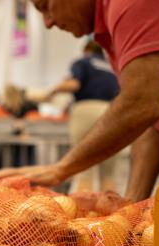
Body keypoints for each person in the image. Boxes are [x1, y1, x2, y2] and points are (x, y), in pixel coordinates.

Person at [0, 0, 159, 201]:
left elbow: (141, 103)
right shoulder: (109, 26)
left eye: (45, 6)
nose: (48, 22)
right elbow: (152, 121)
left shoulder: (131, 4)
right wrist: (132, 205)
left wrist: (60, 169)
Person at [48, 40, 120, 192]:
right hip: (111, 111)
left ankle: (83, 213)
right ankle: (113, 213)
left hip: (86, 111)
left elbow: (74, 84)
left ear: (87, 50)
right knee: (108, 172)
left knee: (84, 169)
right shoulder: (112, 68)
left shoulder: (82, 62)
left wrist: (53, 90)